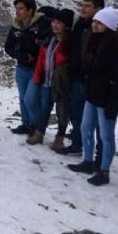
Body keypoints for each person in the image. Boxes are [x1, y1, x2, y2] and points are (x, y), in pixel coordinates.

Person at [67, 7, 118, 186]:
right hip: (92, 95)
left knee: (106, 135)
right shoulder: (93, 41)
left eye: (100, 23)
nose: (95, 25)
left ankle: (104, 171)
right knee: (85, 128)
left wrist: (114, 102)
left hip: (107, 98)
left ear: (109, 25)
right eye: (95, 21)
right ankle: (88, 161)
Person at [56, 0, 104, 156]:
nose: (83, 9)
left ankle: (97, 153)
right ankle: (78, 142)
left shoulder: (101, 28)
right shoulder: (79, 24)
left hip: (90, 79)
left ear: (98, 9)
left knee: (93, 118)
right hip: (75, 76)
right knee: (76, 112)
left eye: (87, 6)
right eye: (82, 5)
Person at [4, 0, 51, 135]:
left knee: (30, 99)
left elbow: (46, 44)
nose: (17, 11)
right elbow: (8, 47)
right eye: (16, 8)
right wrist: (20, 55)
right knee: (22, 97)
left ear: (30, 10)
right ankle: (26, 124)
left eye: (21, 8)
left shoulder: (42, 24)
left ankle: (37, 127)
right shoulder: (16, 26)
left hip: (36, 69)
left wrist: (34, 55)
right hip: (21, 67)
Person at [31, 8, 75, 147]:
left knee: (62, 111)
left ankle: (60, 137)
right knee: (44, 108)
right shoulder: (49, 39)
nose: (55, 25)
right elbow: (41, 59)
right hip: (47, 80)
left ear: (66, 25)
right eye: (54, 22)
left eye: (59, 23)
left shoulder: (71, 42)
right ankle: (39, 133)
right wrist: (37, 76)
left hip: (62, 82)